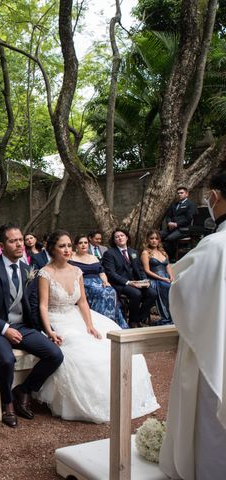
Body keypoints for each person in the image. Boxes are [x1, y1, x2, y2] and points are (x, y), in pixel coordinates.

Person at [35, 230, 159, 423]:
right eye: (62, 246)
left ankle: (121, 398)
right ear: (52, 248)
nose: (67, 250)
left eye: (69, 245)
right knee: (82, 350)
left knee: (109, 340)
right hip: (56, 318)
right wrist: (49, 330)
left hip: (77, 315)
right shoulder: (45, 273)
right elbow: (42, 305)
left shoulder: (77, 271)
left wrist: (90, 325)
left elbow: (83, 302)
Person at [160, 172, 226, 480]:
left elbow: (184, 293)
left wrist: (178, 277)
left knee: (213, 426)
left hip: (217, 348)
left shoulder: (215, 245)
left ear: (214, 197)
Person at [0, 224, 64, 427]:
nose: (19, 244)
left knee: (55, 355)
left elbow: (31, 306)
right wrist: (5, 329)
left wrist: (46, 331)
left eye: (21, 240)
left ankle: (24, 390)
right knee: (6, 359)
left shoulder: (27, 269)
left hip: (21, 326)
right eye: (13, 241)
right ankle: (8, 404)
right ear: (2, 245)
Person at [101, 228, 157, 328]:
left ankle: (139, 318)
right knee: (136, 293)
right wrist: (128, 282)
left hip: (137, 283)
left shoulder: (133, 252)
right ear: (114, 241)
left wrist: (145, 280)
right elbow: (111, 274)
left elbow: (140, 269)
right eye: (116, 237)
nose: (119, 238)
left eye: (122, 236)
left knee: (152, 293)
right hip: (120, 284)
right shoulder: (109, 254)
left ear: (127, 237)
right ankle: (132, 322)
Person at [69, 234, 128, 329]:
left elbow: (102, 273)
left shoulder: (93, 257)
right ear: (76, 245)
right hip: (83, 282)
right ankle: (101, 324)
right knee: (101, 292)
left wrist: (105, 281)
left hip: (98, 281)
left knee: (111, 290)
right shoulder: (71, 258)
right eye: (80, 243)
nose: (83, 245)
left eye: (85, 243)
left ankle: (112, 322)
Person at [140, 230, 174, 325]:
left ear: (159, 240)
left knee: (177, 286)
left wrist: (171, 276)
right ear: (147, 240)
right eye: (151, 238)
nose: (154, 241)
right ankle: (166, 317)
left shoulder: (163, 252)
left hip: (166, 278)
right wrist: (162, 278)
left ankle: (177, 315)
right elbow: (147, 270)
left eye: (156, 238)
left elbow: (168, 266)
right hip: (154, 279)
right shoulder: (145, 253)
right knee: (166, 286)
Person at [160, 186, 197, 259]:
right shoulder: (174, 205)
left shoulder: (190, 204)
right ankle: (160, 256)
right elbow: (168, 216)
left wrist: (176, 224)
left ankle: (172, 257)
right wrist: (169, 222)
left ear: (186, 194)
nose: (179, 194)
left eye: (181, 193)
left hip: (183, 229)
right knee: (158, 235)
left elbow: (189, 218)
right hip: (171, 228)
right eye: (178, 193)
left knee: (169, 238)